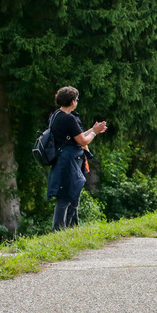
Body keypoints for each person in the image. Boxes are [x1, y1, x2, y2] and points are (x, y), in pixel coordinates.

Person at [46, 86, 107, 230]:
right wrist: (95, 133)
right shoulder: (69, 118)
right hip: (68, 161)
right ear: (73, 101)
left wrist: (92, 129)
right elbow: (83, 141)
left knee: (73, 194)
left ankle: (72, 228)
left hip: (63, 159)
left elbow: (76, 136)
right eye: (77, 99)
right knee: (66, 197)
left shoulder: (56, 115)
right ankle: (59, 231)